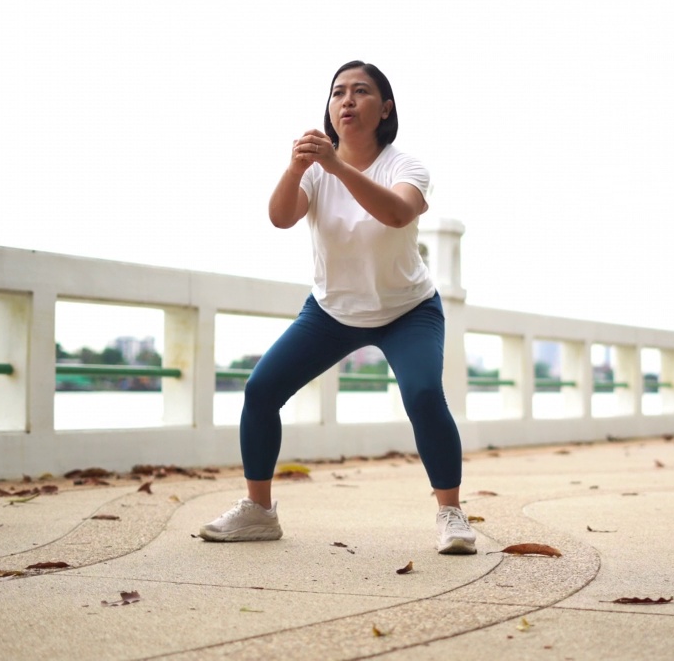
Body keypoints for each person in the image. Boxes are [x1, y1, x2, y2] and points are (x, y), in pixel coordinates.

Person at [198, 61, 476, 554]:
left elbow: (396, 213)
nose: (346, 100)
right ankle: (259, 512)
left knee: (424, 394)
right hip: (331, 312)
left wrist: (335, 166)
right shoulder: (315, 171)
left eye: (361, 91)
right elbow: (281, 218)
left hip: (407, 310)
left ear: (384, 107)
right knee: (261, 391)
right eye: (338, 92)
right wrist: (295, 168)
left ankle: (450, 514)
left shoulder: (404, 166)